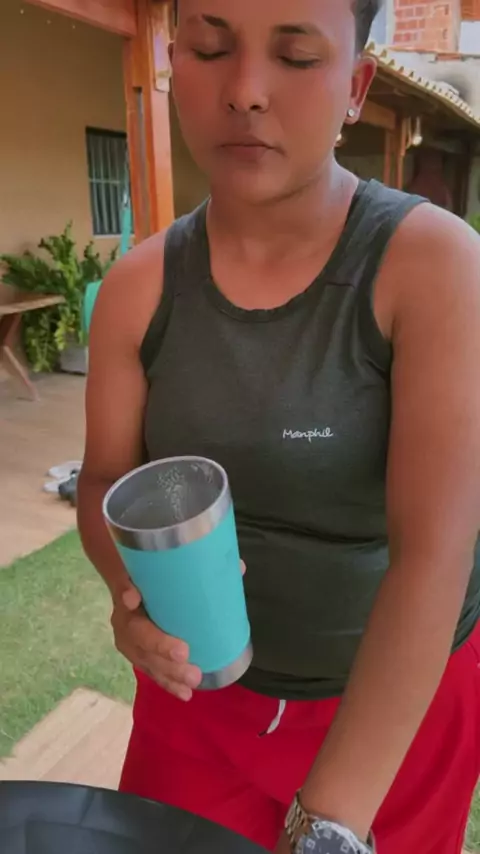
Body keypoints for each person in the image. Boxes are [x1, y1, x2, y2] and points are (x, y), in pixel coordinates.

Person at [77, 1, 480, 853]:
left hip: (395, 709)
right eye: (210, 48)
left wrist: (329, 823)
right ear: (172, 59)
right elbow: (106, 479)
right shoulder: (139, 289)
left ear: (356, 87)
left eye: (296, 57)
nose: (246, 90)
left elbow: (435, 556)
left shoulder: (432, 265)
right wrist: (131, 595)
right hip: (200, 698)